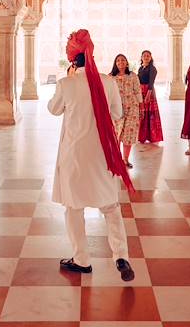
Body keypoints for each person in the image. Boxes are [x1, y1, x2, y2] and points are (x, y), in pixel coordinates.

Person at [48, 29, 135, 282]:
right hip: (103, 155)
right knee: (110, 207)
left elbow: (53, 110)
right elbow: (118, 113)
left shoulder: (67, 84)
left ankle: (82, 259)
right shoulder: (108, 82)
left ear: (73, 59)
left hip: (74, 155)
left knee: (74, 208)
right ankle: (121, 255)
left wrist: (70, 81)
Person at [110, 54, 143, 168]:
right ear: (115, 63)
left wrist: (141, 107)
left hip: (132, 108)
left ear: (127, 62)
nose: (121, 62)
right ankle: (116, 159)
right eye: (118, 60)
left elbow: (138, 91)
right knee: (116, 134)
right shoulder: (111, 77)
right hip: (116, 109)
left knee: (128, 135)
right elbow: (108, 93)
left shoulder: (133, 76)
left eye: (123, 60)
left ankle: (125, 160)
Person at [138, 50, 163, 143]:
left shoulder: (152, 68)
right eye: (144, 55)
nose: (146, 57)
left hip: (149, 91)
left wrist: (148, 95)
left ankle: (153, 136)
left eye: (148, 56)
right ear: (141, 57)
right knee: (142, 113)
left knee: (150, 114)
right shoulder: (140, 68)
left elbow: (151, 82)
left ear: (151, 58)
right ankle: (142, 136)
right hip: (141, 91)